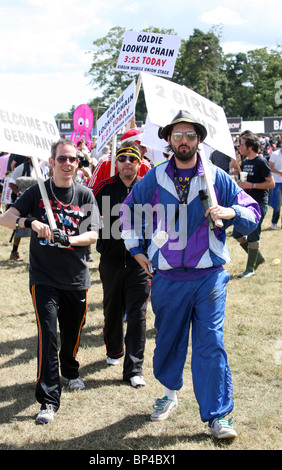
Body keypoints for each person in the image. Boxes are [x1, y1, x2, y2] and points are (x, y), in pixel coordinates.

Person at [120, 110, 261, 439]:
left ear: (200, 139)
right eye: (178, 135)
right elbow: (126, 211)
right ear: (169, 140)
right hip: (168, 278)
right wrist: (137, 250)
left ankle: (218, 416)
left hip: (208, 276)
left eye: (191, 135)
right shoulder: (153, 178)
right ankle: (168, 395)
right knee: (168, 342)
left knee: (210, 343)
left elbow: (252, 212)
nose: (184, 141)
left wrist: (231, 211)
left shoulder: (217, 177)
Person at [0, 138, 99, 424]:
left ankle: (70, 369)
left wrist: (67, 238)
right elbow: (5, 219)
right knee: (48, 335)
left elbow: (93, 234)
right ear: (52, 161)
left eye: (73, 159)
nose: (68, 164)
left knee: (72, 331)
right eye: (62, 159)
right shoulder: (36, 193)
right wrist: (29, 222)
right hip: (44, 278)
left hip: (76, 277)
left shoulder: (85, 195)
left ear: (78, 163)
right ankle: (48, 399)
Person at [93, 142, 151, 388]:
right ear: (116, 162)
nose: (127, 162)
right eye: (123, 158)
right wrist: (100, 220)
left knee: (137, 314)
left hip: (139, 262)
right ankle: (114, 351)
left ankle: (134, 368)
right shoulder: (104, 187)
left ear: (139, 163)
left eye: (132, 159)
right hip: (111, 259)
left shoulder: (148, 188)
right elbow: (87, 219)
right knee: (112, 310)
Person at [232, 130, 275, 277]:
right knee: (237, 232)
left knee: (253, 234)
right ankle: (258, 258)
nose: (240, 146)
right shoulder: (245, 162)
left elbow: (271, 184)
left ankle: (250, 269)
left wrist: (251, 185)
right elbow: (239, 174)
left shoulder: (261, 161)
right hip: (247, 203)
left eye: (242, 144)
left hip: (259, 203)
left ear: (250, 147)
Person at [8, 157, 36, 261]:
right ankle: (14, 252)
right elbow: (11, 183)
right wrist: (19, 193)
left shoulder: (40, 169)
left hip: (36, 201)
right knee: (19, 226)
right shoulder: (21, 168)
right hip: (23, 201)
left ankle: (35, 254)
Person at [269, 147, 282, 229]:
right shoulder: (275, 154)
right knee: (278, 203)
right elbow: (270, 167)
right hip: (277, 182)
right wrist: (279, 172)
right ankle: (274, 222)